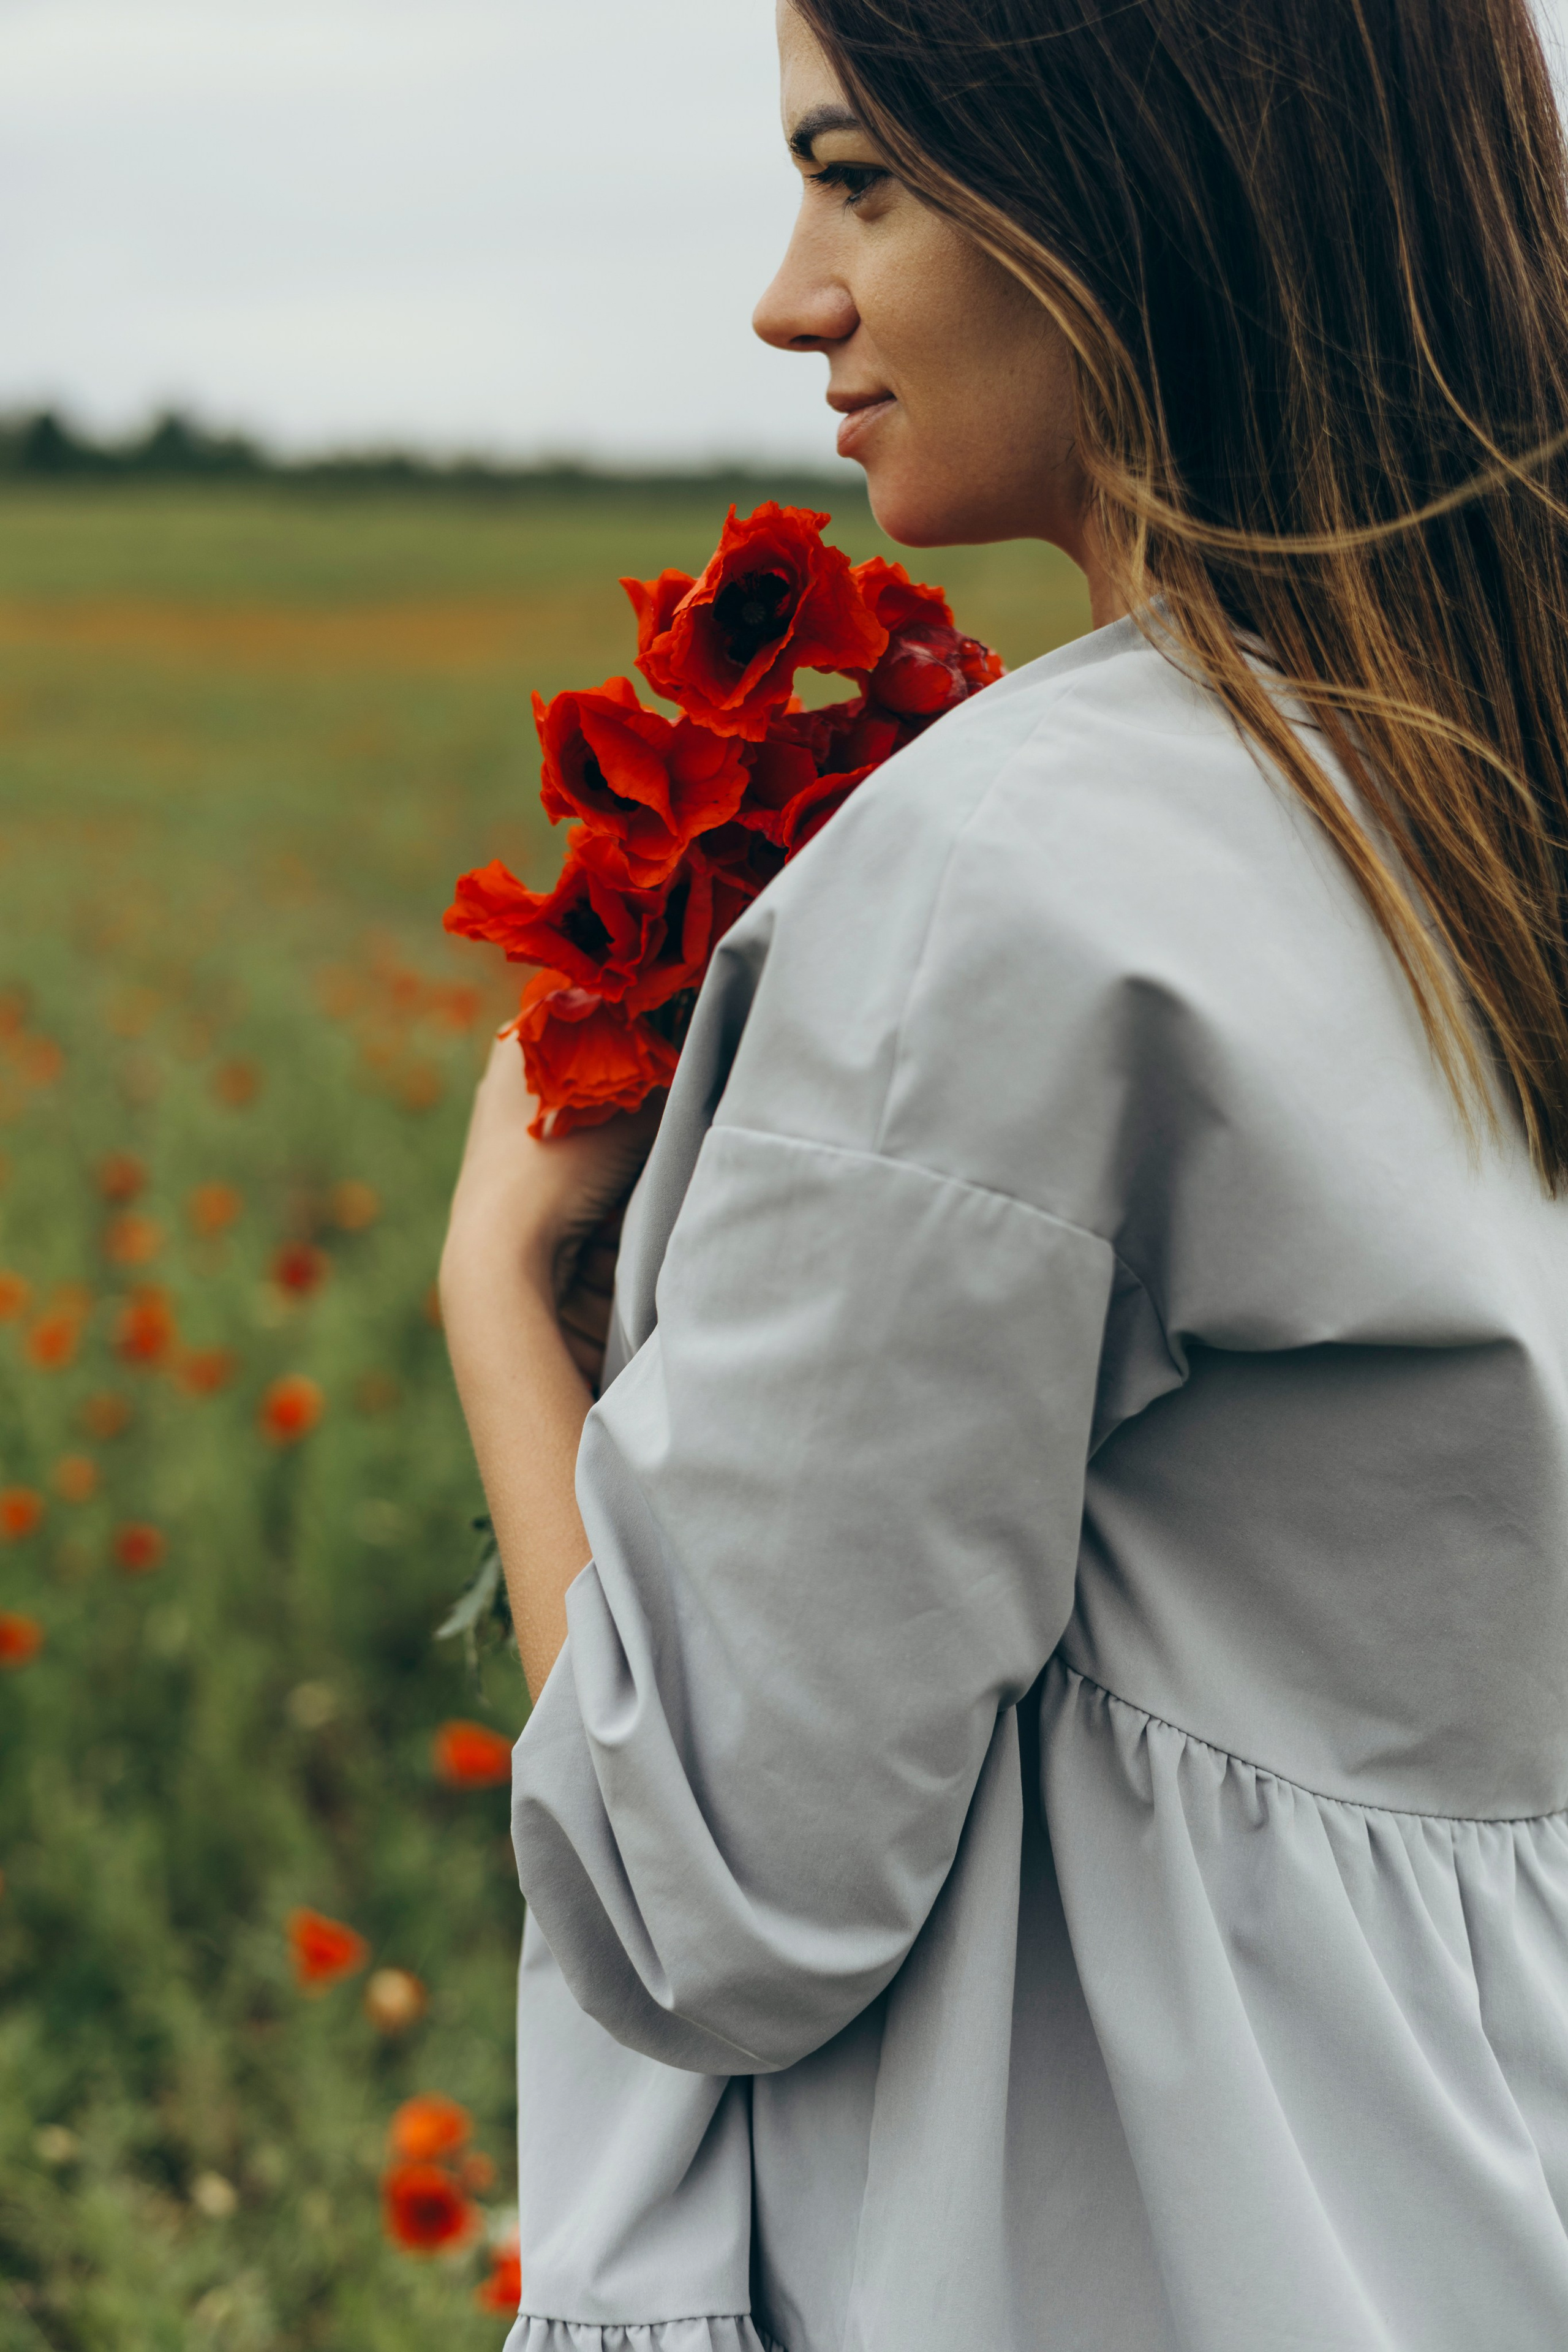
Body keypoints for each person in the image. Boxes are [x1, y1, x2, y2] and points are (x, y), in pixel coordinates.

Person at [440, 1, 1568, 2344]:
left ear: (1143, 173)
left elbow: (702, 1902)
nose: (793, 296)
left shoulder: (1016, 879)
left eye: (864, 177)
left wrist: (502, 1285)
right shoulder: (1485, 794)